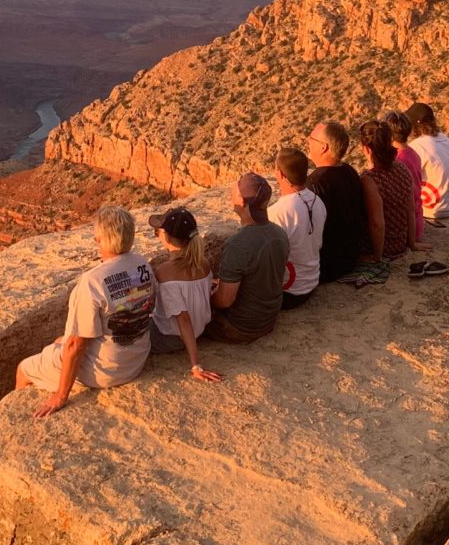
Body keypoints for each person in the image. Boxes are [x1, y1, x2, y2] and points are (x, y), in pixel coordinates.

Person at [15, 204, 157, 418]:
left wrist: (60, 395)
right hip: (136, 359)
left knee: (24, 368)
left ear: (102, 240)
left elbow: (76, 345)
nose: (95, 240)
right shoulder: (142, 264)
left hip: (107, 370)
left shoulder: (92, 282)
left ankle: (19, 417)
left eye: (97, 236)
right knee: (59, 340)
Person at [204, 172, 289, 343]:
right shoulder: (280, 234)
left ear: (242, 201)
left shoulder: (238, 244)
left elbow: (224, 301)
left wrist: (206, 296)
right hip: (268, 319)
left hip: (240, 327)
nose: (230, 196)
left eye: (233, 193)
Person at [147, 206, 223, 382]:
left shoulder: (165, 272)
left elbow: (183, 319)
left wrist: (196, 365)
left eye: (158, 231)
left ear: (166, 236)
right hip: (199, 331)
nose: (157, 234)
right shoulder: (203, 264)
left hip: (169, 338)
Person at [304, 121, 367, 283]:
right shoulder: (349, 171)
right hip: (351, 258)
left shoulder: (315, 183)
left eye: (311, 138)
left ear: (323, 147)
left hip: (327, 265)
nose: (308, 141)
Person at [270, 146, 326, 309]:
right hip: (312, 282)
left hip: (289, 292)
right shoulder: (318, 202)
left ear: (280, 174)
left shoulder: (277, 212)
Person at [356, 120, 417, 263]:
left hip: (382, 247)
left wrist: (377, 257)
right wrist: (412, 243)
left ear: (366, 149)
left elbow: (378, 223)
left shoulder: (369, 179)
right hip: (400, 243)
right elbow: (411, 210)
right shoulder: (402, 168)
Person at [406, 101, 449, 220]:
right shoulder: (446, 140)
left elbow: (405, 180)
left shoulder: (417, 146)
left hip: (432, 210)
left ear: (415, 125)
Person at [383, 110, 430, 253]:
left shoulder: (397, 161)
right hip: (417, 222)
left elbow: (405, 203)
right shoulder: (413, 153)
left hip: (407, 228)